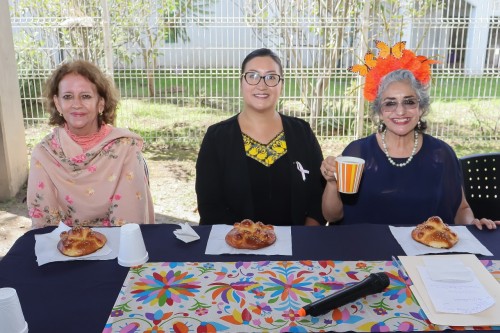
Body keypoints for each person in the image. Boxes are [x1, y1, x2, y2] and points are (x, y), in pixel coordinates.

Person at [321, 41, 500, 230]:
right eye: (390, 103)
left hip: (427, 252)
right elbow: (331, 216)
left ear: (421, 108)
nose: (400, 111)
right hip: (367, 254)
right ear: (380, 112)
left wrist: (472, 224)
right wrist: (332, 183)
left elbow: (461, 208)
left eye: (409, 102)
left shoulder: (442, 154)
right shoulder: (357, 153)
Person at [196, 48, 325, 226]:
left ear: (282, 84)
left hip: (296, 247)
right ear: (241, 81)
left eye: (271, 77)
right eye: (253, 76)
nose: (262, 85)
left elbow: (317, 196)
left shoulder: (301, 132)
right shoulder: (217, 138)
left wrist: (304, 242)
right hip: (235, 247)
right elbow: (210, 206)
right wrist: (244, 241)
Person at [27, 60, 155, 228]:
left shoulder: (125, 148)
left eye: (85, 96)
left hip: (118, 247)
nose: (76, 104)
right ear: (58, 103)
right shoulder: (44, 154)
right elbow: (44, 224)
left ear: (100, 103)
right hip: (64, 247)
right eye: (68, 96)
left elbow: (129, 223)